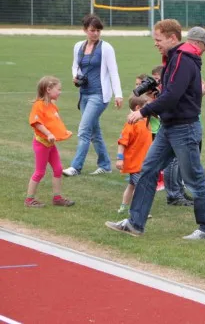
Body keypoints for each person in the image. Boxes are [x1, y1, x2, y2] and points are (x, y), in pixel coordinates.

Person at [105, 22, 205, 240]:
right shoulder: (176, 58)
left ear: (172, 38)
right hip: (170, 127)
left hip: (183, 129)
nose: (155, 44)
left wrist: (143, 111)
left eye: (158, 39)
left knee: (194, 179)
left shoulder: (182, 59)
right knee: (148, 170)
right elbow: (174, 94)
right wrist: (157, 92)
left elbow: (173, 96)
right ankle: (135, 224)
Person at [63, 14, 123, 177]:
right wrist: (75, 76)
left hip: (99, 95)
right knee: (94, 132)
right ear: (85, 30)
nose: (95, 33)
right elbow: (75, 66)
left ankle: (76, 167)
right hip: (84, 94)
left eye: (98, 30)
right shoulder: (78, 46)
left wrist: (118, 95)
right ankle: (105, 165)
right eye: (92, 30)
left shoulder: (106, 48)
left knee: (84, 130)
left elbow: (114, 72)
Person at [26, 76, 74, 207]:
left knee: (58, 169)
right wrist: (48, 134)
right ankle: (29, 200)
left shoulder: (52, 106)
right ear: (48, 90)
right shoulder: (39, 105)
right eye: (58, 89)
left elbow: (55, 123)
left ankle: (57, 198)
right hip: (41, 144)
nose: (60, 92)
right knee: (39, 172)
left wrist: (64, 132)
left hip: (50, 145)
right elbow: (37, 123)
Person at [116, 95, 152, 214]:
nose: (149, 109)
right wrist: (119, 159)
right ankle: (138, 211)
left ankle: (123, 207)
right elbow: (122, 142)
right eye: (146, 106)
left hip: (143, 162)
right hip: (135, 163)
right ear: (138, 108)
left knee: (132, 185)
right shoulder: (131, 123)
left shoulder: (146, 120)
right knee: (141, 187)